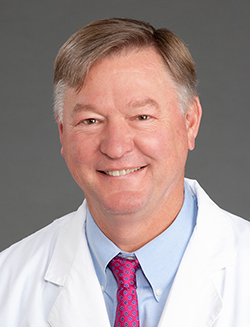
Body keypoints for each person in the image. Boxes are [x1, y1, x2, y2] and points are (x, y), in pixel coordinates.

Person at [0, 18, 249, 327]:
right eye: (90, 121)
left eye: (142, 116)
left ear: (189, 122)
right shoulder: (7, 283)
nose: (116, 148)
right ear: (63, 134)